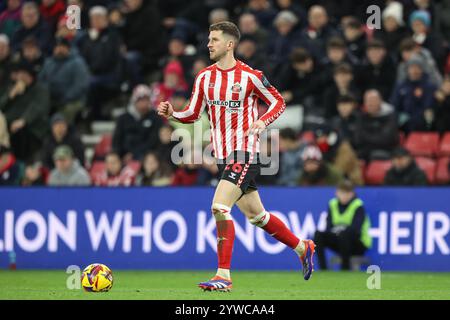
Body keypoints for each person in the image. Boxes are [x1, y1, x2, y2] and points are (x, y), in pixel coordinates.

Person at [158, 21, 315, 291]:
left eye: (214, 40)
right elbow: (193, 113)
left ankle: (223, 276)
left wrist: (262, 122)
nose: (209, 44)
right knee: (257, 216)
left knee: (219, 207)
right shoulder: (205, 77)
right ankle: (302, 246)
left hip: (245, 153)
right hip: (222, 156)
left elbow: (278, 101)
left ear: (230, 44)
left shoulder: (250, 76)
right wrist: (173, 113)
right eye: (209, 39)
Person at [314, 180, 372, 270]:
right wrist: (337, 232)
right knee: (318, 235)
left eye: (347, 193)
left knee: (345, 235)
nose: (344, 196)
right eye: (342, 193)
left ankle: (345, 268)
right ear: (336, 193)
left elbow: (356, 230)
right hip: (341, 242)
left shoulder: (358, 205)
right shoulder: (332, 204)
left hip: (359, 244)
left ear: (352, 194)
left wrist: (340, 231)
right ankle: (323, 269)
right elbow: (328, 226)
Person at [0, 60, 50, 162]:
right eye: (18, 74)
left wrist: (24, 120)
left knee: (19, 132)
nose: (20, 77)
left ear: (30, 76)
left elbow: (37, 107)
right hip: (8, 125)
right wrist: (10, 96)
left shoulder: (40, 90)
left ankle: (19, 162)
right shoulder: (13, 88)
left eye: (23, 74)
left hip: (33, 127)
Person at [38, 37, 90, 124]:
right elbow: (41, 81)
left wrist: (65, 97)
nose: (59, 50)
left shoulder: (78, 63)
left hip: (73, 100)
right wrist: (47, 94)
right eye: (57, 47)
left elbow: (81, 85)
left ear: (68, 48)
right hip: (51, 99)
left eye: (62, 47)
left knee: (66, 112)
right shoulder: (48, 63)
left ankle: (65, 134)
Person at [112, 84, 163, 162]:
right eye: (141, 100)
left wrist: (134, 154)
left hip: (145, 157)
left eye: (146, 100)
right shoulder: (123, 118)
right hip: (123, 157)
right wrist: (119, 155)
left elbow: (153, 141)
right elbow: (117, 139)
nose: (144, 103)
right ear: (134, 101)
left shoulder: (156, 118)